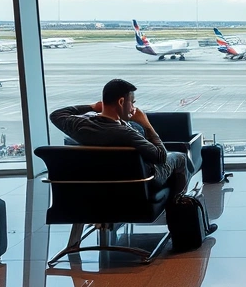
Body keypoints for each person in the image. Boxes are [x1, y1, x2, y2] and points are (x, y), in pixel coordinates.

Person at [49, 78, 195, 202]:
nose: (133, 107)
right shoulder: (126, 133)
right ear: (121, 102)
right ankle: (180, 209)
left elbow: (56, 115)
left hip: (93, 186)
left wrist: (92, 107)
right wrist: (147, 125)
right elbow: (160, 157)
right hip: (136, 182)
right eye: (132, 102)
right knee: (179, 157)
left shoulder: (79, 126)